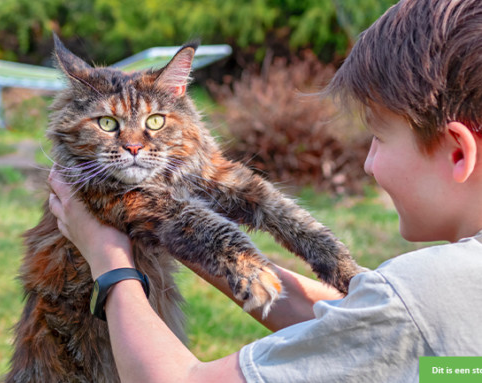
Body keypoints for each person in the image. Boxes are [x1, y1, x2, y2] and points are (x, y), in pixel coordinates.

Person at [48, 0, 482, 381]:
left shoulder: (423, 294)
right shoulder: (445, 311)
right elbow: (432, 362)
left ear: (459, 154)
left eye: (379, 138)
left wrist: (110, 263)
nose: (367, 162)